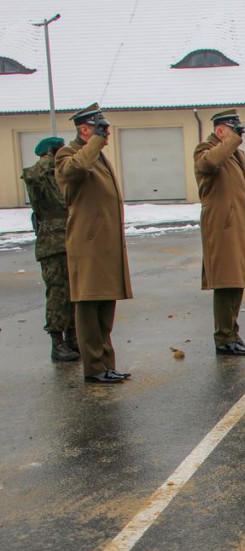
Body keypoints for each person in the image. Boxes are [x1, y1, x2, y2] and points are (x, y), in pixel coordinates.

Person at [55, 103, 133, 385]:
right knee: (88, 306)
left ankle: (106, 364)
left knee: (105, 306)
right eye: (100, 128)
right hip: (87, 244)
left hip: (104, 244)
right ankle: (94, 367)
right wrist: (96, 142)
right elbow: (73, 171)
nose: (106, 133)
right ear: (84, 129)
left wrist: (96, 143)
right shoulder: (69, 154)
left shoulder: (96, 155)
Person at [194, 108, 245, 357]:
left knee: (237, 281)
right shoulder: (204, 150)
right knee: (225, 283)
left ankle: (233, 334)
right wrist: (231, 141)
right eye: (234, 130)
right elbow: (209, 163)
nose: (239, 135)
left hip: (237, 226)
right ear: (220, 131)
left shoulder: (234, 153)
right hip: (221, 227)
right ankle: (223, 337)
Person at [21, 137, 79, 362]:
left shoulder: (58, 175)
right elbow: (33, 174)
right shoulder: (39, 174)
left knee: (74, 291)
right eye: (58, 150)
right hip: (52, 243)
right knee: (58, 292)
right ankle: (57, 342)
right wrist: (49, 158)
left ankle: (72, 337)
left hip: (69, 238)